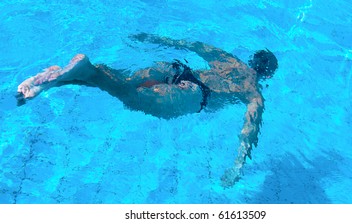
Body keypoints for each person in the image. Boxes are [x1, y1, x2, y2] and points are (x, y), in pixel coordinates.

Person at [16, 33, 278, 187]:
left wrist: (152, 39)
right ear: (267, 75)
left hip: (177, 69)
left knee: (122, 81)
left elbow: (193, 45)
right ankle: (82, 71)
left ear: (251, 59)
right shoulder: (254, 92)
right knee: (129, 97)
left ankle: (56, 81)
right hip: (195, 92)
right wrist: (238, 166)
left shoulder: (227, 58)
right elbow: (249, 129)